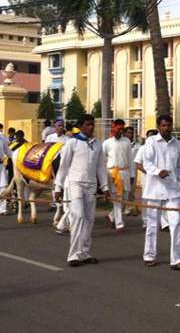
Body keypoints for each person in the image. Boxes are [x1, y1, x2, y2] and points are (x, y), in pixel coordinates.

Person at [54, 114, 111, 267]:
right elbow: (64, 166)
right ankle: (73, 255)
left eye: (92, 124)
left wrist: (105, 187)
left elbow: (100, 167)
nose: (90, 127)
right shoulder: (72, 143)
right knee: (78, 216)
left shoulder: (98, 144)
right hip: (75, 183)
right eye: (87, 124)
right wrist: (58, 187)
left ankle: (84, 253)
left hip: (91, 185)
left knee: (89, 219)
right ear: (80, 126)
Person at [141, 115, 180, 270]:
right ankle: (149, 255)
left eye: (169, 125)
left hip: (172, 190)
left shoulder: (177, 144)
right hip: (154, 189)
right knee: (153, 224)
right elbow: (146, 162)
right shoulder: (150, 142)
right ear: (158, 126)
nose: (167, 128)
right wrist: (157, 171)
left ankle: (176, 260)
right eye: (163, 125)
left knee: (176, 223)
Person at [102, 125, 133, 232]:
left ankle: (111, 216)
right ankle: (119, 224)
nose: (120, 132)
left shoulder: (127, 142)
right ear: (113, 130)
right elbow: (102, 160)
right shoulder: (107, 143)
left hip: (125, 172)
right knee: (117, 199)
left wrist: (132, 175)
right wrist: (104, 176)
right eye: (118, 129)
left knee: (124, 199)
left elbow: (130, 159)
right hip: (113, 174)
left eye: (121, 130)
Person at [46, 120, 73, 233]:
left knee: (70, 205)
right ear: (55, 127)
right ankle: (66, 225)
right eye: (59, 126)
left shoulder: (68, 140)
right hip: (53, 164)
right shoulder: (50, 137)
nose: (61, 128)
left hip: (63, 167)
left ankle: (63, 225)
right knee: (70, 205)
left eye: (63, 126)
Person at [134, 129, 158, 229]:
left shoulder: (160, 148)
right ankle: (146, 222)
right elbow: (138, 164)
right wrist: (149, 171)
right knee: (146, 201)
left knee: (159, 200)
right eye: (149, 136)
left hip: (159, 180)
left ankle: (162, 223)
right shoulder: (143, 148)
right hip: (147, 179)